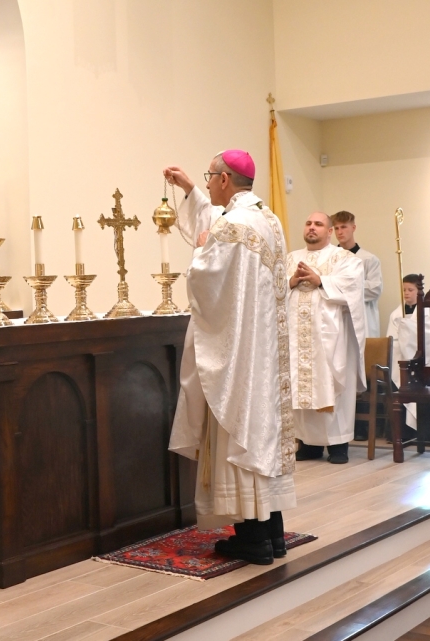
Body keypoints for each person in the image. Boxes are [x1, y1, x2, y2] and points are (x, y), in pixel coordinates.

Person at [164, 150, 295, 566]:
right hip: (262, 355)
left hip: (238, 355)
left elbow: (208, 275)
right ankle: (272, 534)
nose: (205, 183)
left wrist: (200, 252)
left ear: (224, 179)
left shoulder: (234, 226)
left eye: (208, 177)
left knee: (237, 432)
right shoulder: (265, 219)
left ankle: (252, 539)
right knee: (260, 438)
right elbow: (220, 229)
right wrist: (188, 190)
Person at [287, 213, 367, 464]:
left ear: (330, 231)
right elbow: (273, 287)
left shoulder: (346, 258)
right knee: (300, 385)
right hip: (297, 336)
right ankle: (308, 444)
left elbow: (352, 288)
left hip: (331, 336)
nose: (312, 227)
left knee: (332, 383)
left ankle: (338, 445)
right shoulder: (291, 258)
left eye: (318, 224)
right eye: (308, 223)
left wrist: (320, 279)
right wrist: (291, 281)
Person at [386, 274, 430, 442]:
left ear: (418, 291)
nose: (406, 293)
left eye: (410, 290)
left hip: (424, 363)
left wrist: (408, 328)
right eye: (404, 290)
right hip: (401, 361)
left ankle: (428, 434)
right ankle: (403, 434)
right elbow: (391, 339)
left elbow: (429, 336)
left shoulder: (427, 312)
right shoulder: (396, 313)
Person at [331, 211, 383, 337]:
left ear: (353, 228)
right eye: (336, 228)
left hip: (363, 318)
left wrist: (343, 285)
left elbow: (375, 289)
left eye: (343, 227)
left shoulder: (368, 259)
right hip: (337, 319)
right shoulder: (330, 258)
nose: (339, 232)